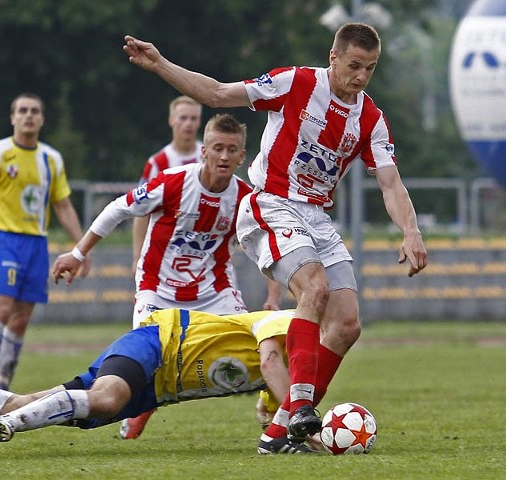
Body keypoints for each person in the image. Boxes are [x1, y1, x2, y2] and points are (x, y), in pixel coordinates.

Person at [123, 22, 428, 448]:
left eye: (370, 69)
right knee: (315, 288)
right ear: (333, 58)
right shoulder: (295, 83)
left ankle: (280, 431)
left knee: (345, 325)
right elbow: (216, 94)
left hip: (317, 219)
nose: (360, 77)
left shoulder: (371, 119)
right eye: (354, 65)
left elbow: (390, 183)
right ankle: (301, 406)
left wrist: (410, 231)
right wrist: (160, 65)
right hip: (271, 203)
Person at [52, 113, 282, 438]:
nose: (224, 156)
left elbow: (270, 244)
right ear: (204, 151)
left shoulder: (245, 199)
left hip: (215, 292)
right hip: (157, 290)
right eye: (217, 148)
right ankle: (142, 408)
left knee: (255, 346)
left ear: (242, 156)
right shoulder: (173, 181)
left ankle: (270, 410)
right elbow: (119, 208)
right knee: (149, 363)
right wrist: (78, 253)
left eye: (232, 150)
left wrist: (273, 298)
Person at [0, 308, 315, 454]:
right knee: (106, 398)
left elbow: (266, 410)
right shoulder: (288, 321)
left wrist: (292, 431)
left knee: (26, 400)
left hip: (154, 390)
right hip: (161, 342)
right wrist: (302, 412)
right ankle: (10, 428)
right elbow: (271, 358)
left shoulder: (288, 370)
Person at [0, 92, 90, 391]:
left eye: (34, 110)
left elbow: (63, 205)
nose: (28, 115)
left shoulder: (51, 159)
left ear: (42, 119)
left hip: (37, 244)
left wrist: (81, 247)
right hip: (3, 239)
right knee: (2, 310)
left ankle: (3, 386)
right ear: (12, 117)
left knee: (20, 321)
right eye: (22, 110)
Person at [132, 95, 204, 274]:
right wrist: (137, 256)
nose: (188, 124)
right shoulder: (157, 163)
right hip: (166, 251)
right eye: (183, 118)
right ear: (171, 120)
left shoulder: (209, 157)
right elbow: (141, 211)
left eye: (193, 118)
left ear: (199, 122)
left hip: (203, 248)